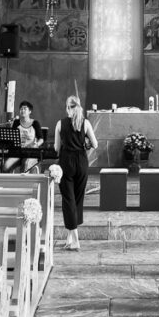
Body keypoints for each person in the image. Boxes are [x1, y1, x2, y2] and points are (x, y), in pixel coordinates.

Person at [54, 96, 98, 250]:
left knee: (68, 201)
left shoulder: (60, 123)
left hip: (66, 163)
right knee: (77, 201)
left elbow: (56, 148)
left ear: (67, 107)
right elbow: (95, 144)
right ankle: (69, 239)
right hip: (81, 162)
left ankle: (76, 240)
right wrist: (84, 145)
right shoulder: (85, 123)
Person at [4, 100, 44, 172]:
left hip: (30, 153)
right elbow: (11, 137)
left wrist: (36, 145)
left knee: (25, 165)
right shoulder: (16, 122)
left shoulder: (35, 123)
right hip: (17, 152)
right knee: (6, 166)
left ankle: (22, 183)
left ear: (30, 111)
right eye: (21, 109)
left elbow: (41, 139)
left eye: (25, 108)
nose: (22, 110)